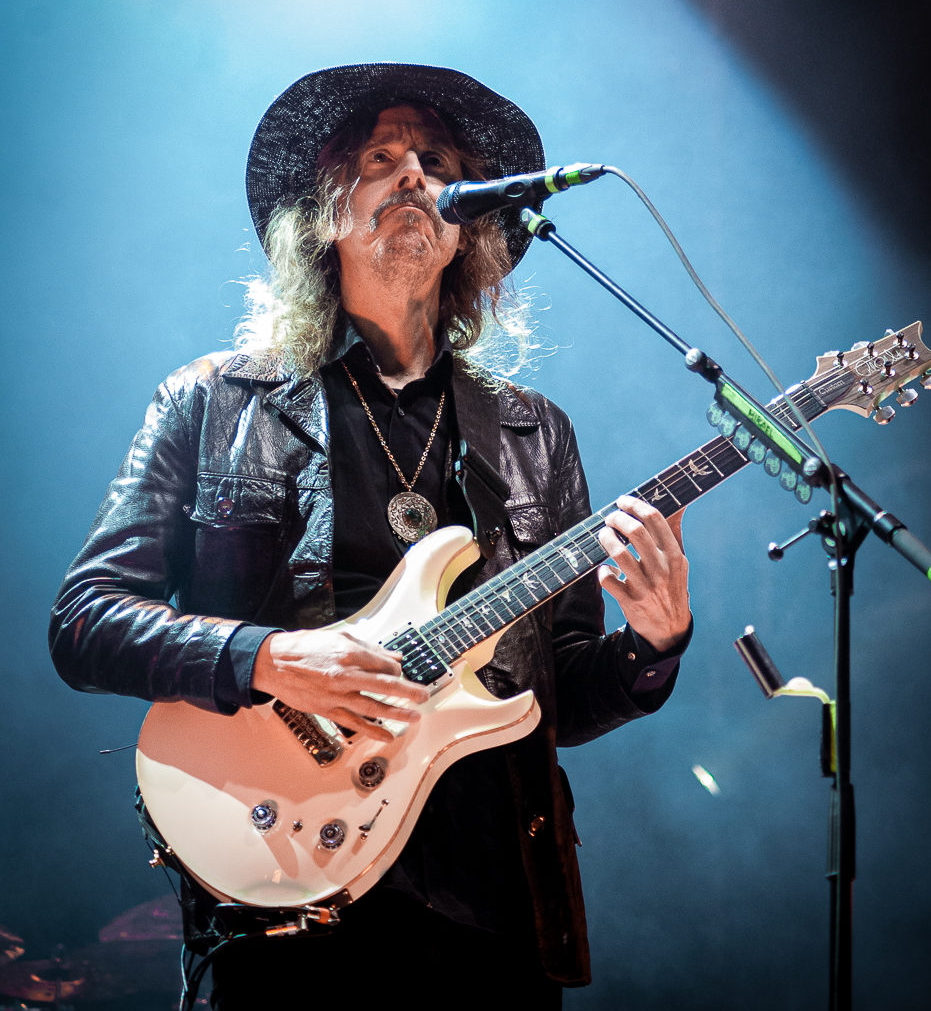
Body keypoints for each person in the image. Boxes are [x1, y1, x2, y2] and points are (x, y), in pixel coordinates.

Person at [50, 64, 692, 1009]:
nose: (413, 176)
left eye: (435, 162)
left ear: (469, 224)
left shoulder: (533, 434)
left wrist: (651, 645)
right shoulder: (215, 402)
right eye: (380, 159)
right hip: (285, 894)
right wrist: (269, 659)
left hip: (491, 909)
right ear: (324, 213)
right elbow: (84, 621)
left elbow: (554, 697)